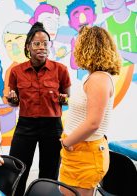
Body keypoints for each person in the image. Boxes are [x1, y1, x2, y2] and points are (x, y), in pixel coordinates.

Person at [7, 22, 71, 196]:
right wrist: (13, 100)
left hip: (52, 126)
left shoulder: (61, 70)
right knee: (18, 167)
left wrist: (64, 99)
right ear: (28, 46)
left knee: (49, 172)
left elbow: (66, 98)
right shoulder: (16, 71)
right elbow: (13, 102)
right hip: (25, 125)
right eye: (37, 44)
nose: (41, 47)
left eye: (45, 43)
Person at [59, 26, 121, 196]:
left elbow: (93, 123)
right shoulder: (93, 77)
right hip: (78, 150)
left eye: (78, 44)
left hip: (85, 153)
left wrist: (66, 142)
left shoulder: (99, 79)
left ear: (88, 46)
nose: (74, 48)